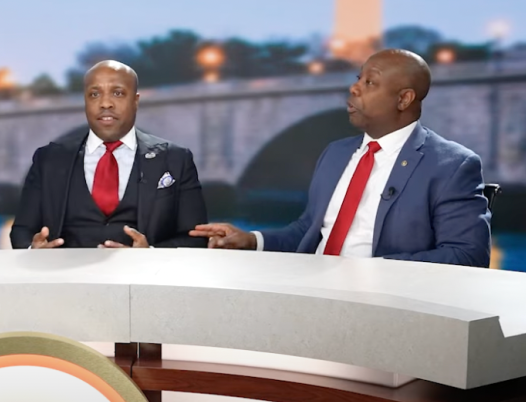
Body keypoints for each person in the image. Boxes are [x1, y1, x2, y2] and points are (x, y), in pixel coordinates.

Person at [191, 49, 489, 266]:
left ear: (404, 99)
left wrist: (366, 270)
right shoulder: (336, 153)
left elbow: (467, 255)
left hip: (386, 306)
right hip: (313, 294)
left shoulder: (451, 165)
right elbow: (308, 232)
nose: (354, 88)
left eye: (370, 83)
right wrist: (251, 240)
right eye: (358, 78)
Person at [10, 60, 207, 249]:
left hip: (143, 280)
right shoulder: (48, 159)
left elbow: (195, 239)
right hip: (67, 280)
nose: (105, 103)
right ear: (85, 101)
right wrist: (33, 251)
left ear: (135, 101)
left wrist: (151, 255)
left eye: (118, 93)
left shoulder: (176, 159)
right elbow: (21, 231)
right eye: (94, 94)